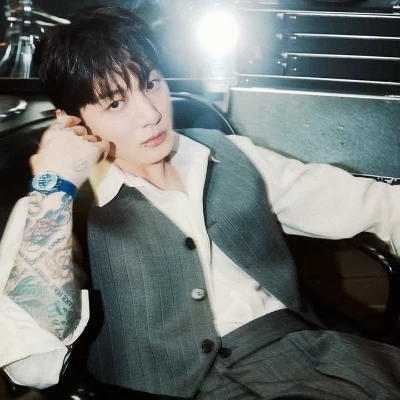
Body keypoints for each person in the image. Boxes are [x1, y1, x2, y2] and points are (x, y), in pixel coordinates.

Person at [1, 5, 400, 400]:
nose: (150, 115)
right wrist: (54, 191)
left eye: (151, 84)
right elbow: (30, 367)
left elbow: (380, 204)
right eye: (115, 103)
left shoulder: (232, 154)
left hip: (318, 358)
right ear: (71, 121)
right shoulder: (51, 210)